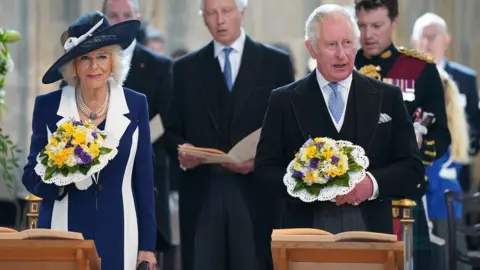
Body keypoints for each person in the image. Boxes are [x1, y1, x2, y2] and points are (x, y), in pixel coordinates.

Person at [254, 2, 425, 240]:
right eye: (331, 45)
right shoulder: (284, 100)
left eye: (347, 43)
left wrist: (372, 184)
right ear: (311, 49)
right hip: (305, 233)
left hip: (371, 231)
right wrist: (307, 183)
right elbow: (264, 172)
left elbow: (412, 168)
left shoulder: (388, 97)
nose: (342, 54)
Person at [163, 0, 295, 269]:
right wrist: (182, 150)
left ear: (242, 12)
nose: (219, 20)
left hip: (256, 193)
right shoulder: (185, 68)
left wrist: (260, 161)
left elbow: (291, 128)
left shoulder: (275, 63)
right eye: (211, 13)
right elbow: (170, 129)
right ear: (204, 18)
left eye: (226, 11)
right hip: (202, 192)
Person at [22, 11, 157, 270]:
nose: (94, 66)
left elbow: (144, 179)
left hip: (121, 232)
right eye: (84, 58)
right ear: (73, 65)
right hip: (62, 234)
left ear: (113, 61)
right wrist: (61, 174)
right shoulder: (48, 106)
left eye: (101, 57)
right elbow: (30, 175)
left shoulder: (136, 104)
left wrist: (147, 247)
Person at [354, 1, 450, 268]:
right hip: (351, 193)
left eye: (376, 25)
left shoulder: (420, 69)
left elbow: (442, 135)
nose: (367, 34)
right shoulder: (342, 63)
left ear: (394, 22)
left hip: (402, 192)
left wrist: (418, 149)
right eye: (361, 25)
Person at [101, 0, 174, 258]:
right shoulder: (89, 63)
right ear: (104, 19)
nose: (121, 21)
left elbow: (168, 122)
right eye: (114, 15)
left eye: (127, 15)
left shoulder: (160, 66)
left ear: (138, 18)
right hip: (98, 178)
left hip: (146, 175)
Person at [411, 12, 480, 193]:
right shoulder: (405, 79)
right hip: (416, 176)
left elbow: (475, 125)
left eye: (433, 36)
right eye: (422, 37)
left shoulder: (465, 79)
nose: (427, 42)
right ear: (413, 41)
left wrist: (460, 156)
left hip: (456, 176)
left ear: (447, 40)